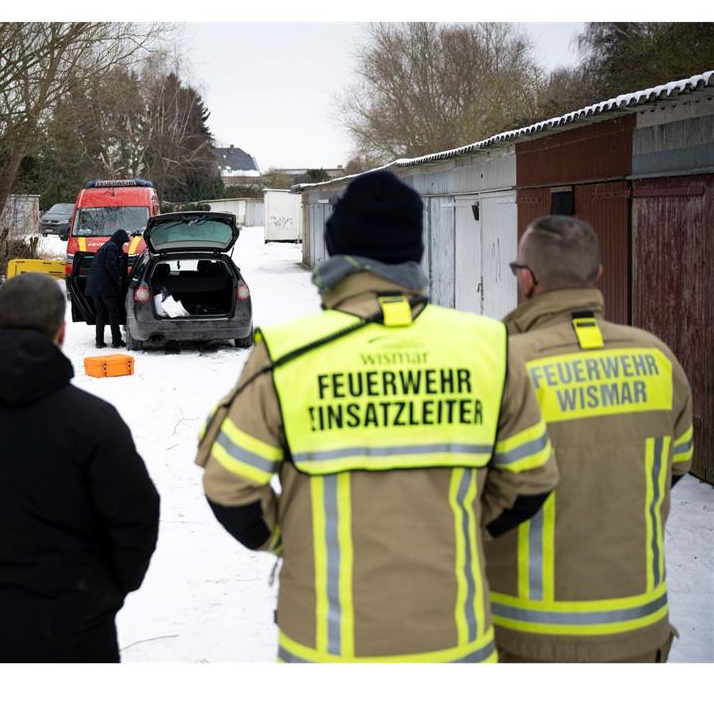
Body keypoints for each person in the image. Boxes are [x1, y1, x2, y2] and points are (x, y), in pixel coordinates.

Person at [196, 170, 559, 663]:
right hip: (456, 647)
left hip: (326, 650)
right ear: (415, 252)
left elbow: (229, 487)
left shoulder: (286, 355)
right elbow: (532, 481)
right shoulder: (489, 347)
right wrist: (464, 527)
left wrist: (290, 540)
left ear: (336, 253)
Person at [0, 272, 160, 662]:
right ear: (61, 332)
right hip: (81, 627)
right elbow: (137, 518)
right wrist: (109, 587)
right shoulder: (96, 422)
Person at [485, 215, 695, 663]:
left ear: (526, 279)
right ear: (597, 276)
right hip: (640, 634)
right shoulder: (658, 358)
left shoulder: (500, 365)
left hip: (526, 638)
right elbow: (674, 469)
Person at [85, 228, 130, 348]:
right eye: (124, 242)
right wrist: (118, 280)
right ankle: (116, 341)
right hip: (106, 287)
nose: (124, 245)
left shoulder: (105, 246)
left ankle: (99, 341)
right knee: (113, 313)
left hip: (94, 287)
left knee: (100, 314)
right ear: (120, 240)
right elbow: (110, 265)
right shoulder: (112, 248)